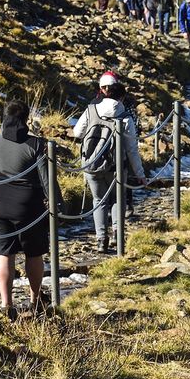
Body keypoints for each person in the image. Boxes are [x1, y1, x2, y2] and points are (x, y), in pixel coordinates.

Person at [0, 100, 50, 319]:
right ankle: (35, 301)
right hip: (30, 206)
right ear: (26, 119)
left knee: (5, 254)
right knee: (34, 254)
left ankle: (7, 304)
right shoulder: (37, 144)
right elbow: (47, 181)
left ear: (3, 117)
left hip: (0, 205)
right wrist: (56, 205)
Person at [72, 73, 145, 251]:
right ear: (121, 97)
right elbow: (132, 150)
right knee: (116, 200)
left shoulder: (90, 109)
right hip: (117, 166)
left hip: (92, 163)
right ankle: (117, 236)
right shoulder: (125, 117)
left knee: (98, 200)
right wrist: (140, 175)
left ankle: (101, 239)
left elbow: (77, 133)